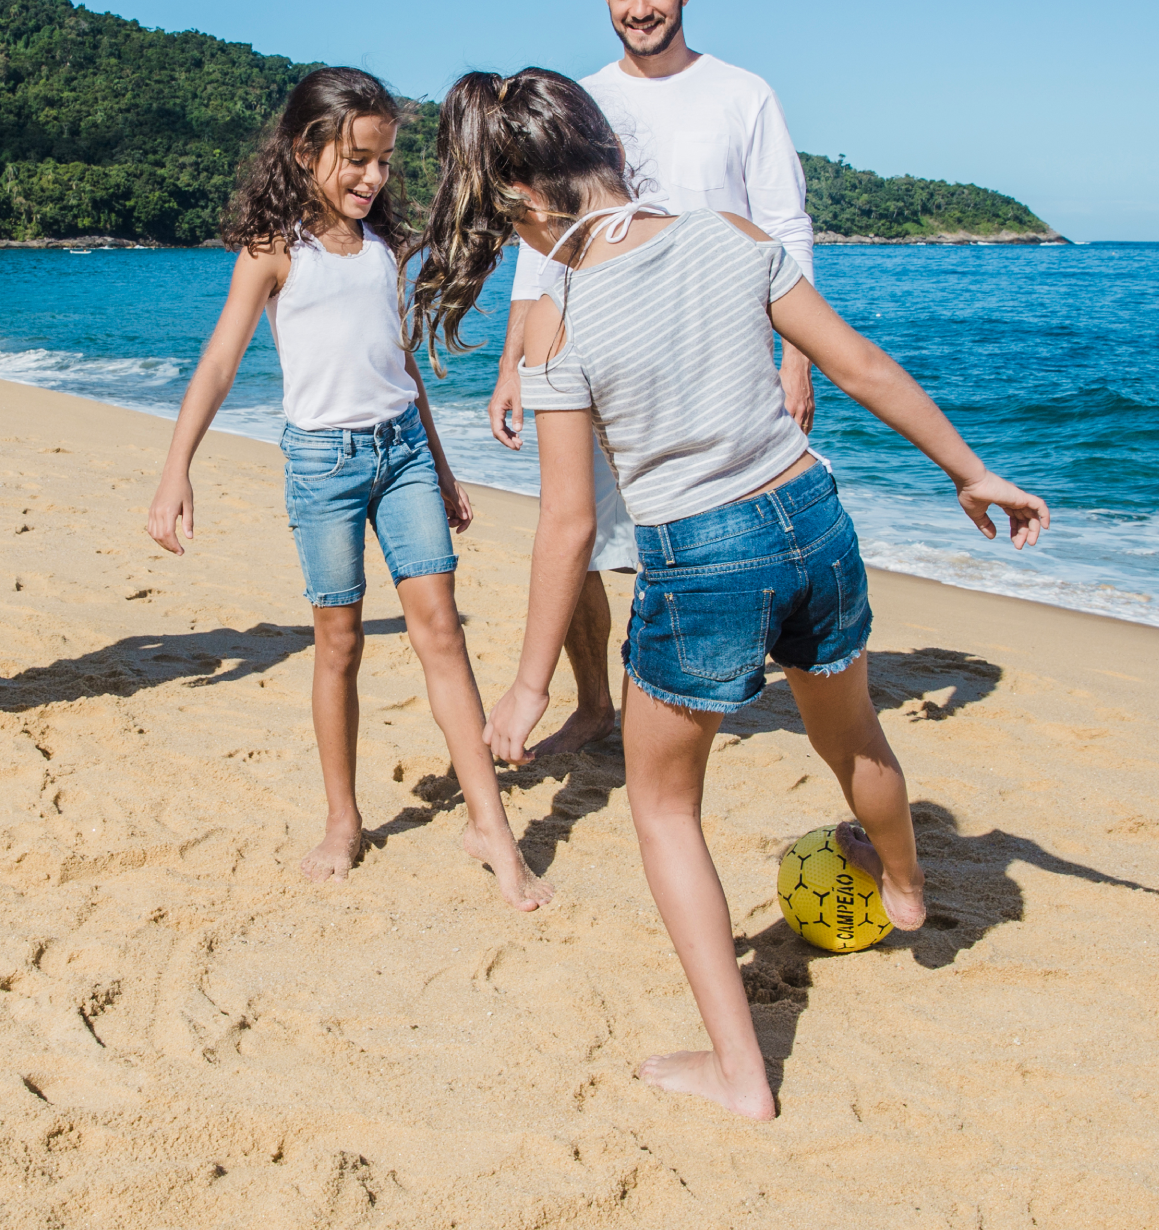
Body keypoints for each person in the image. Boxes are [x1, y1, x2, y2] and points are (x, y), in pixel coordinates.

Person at [409, 67, 1048, 1118]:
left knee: (663, 809)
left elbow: (569, 523)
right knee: (852, 737)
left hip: (700, 555)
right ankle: (904, 889)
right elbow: (860, 367)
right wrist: (966, 467)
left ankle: (740, 1073)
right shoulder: (728, 232)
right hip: (813, 516)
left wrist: (527, 686)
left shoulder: (559, 312)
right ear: (606, 144)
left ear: (518, 197)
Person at [146, 68, 551, 911]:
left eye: (383, 162)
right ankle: (342, 818)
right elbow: (221, 361)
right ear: (306, 151)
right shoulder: (273, 251)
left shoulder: (384, 251)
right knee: (339, 645)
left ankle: (492, 830)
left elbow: (400, 364)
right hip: (322, 468)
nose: (372, 178)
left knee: (441, 630)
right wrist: (176, 467)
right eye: (356, 160)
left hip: (402, 451)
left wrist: (440, 468)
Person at [489, 0, 817, 758]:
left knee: (691, 520)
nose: (641, 8)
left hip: (720, 355)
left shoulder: (745, 94)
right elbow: (545, 234)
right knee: (578, 531)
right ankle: (596, 704)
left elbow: (784, 228)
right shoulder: (586, 97)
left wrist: (798, 359)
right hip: (594, 352)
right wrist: (511, 362)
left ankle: (681, 693)